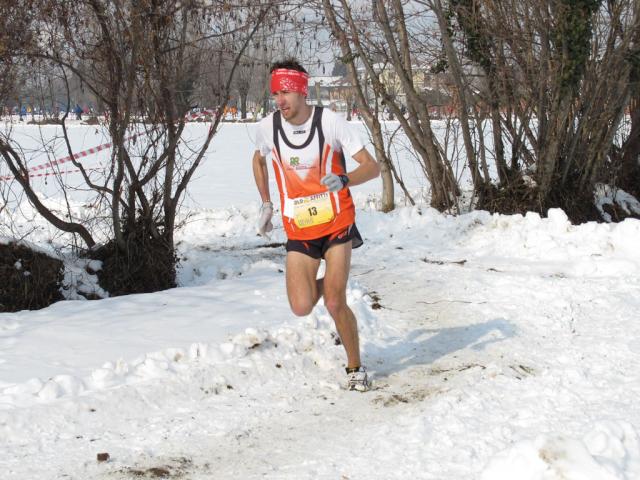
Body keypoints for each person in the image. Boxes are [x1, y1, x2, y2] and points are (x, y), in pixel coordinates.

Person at [252, 59, 380, 391]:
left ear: (301, 90)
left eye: (286, 92)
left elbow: (372, 167)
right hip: (300, 228)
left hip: (337, 222)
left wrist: (344, 178)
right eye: (275, 93)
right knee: (302, 305)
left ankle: (355, 368)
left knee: (335, 301)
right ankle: (323, 285)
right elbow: (258, 158)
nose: (280, 100)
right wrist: (266, 202)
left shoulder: (330, 123)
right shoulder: (268, 128)